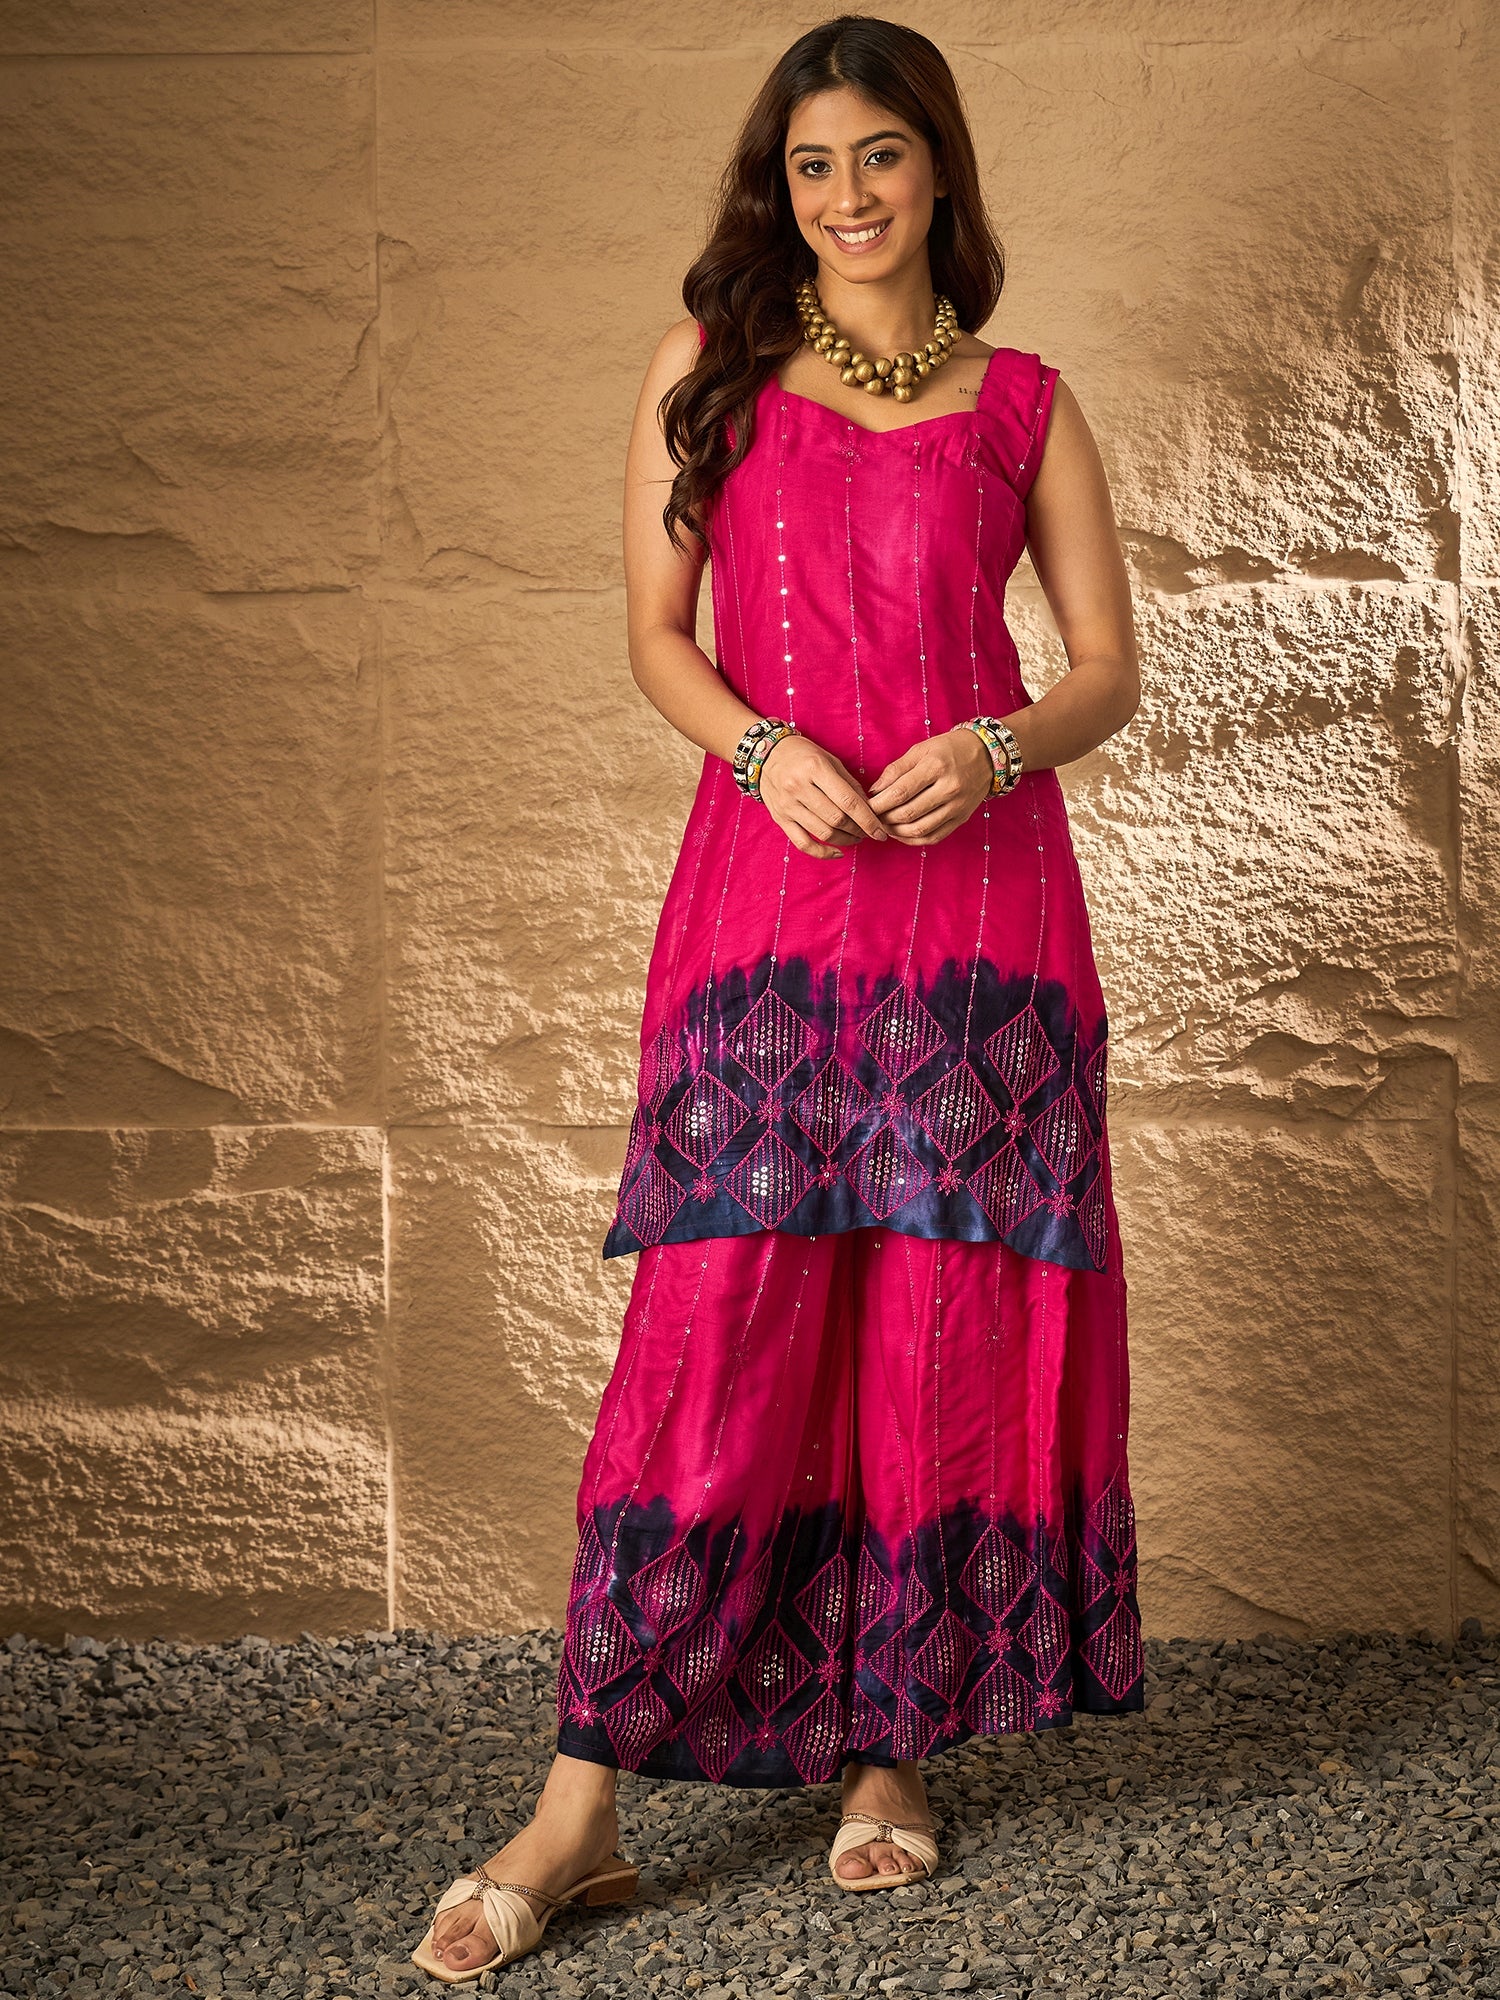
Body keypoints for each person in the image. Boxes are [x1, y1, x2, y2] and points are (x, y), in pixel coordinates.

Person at [411, 12, 1144, 1983]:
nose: (848, 195)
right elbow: (657, 635)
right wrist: (760, 748)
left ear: (937, 168)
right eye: (814, 164)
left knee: (936, 1315)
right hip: (772, 900)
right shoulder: (707, 372)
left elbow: (1103, 664)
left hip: (980, 914)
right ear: (780, 187)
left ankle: (889, 1751)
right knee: (713, 1321)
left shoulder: (1022, 403)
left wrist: (997, 744)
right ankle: (580, 1808)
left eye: (880, 155)